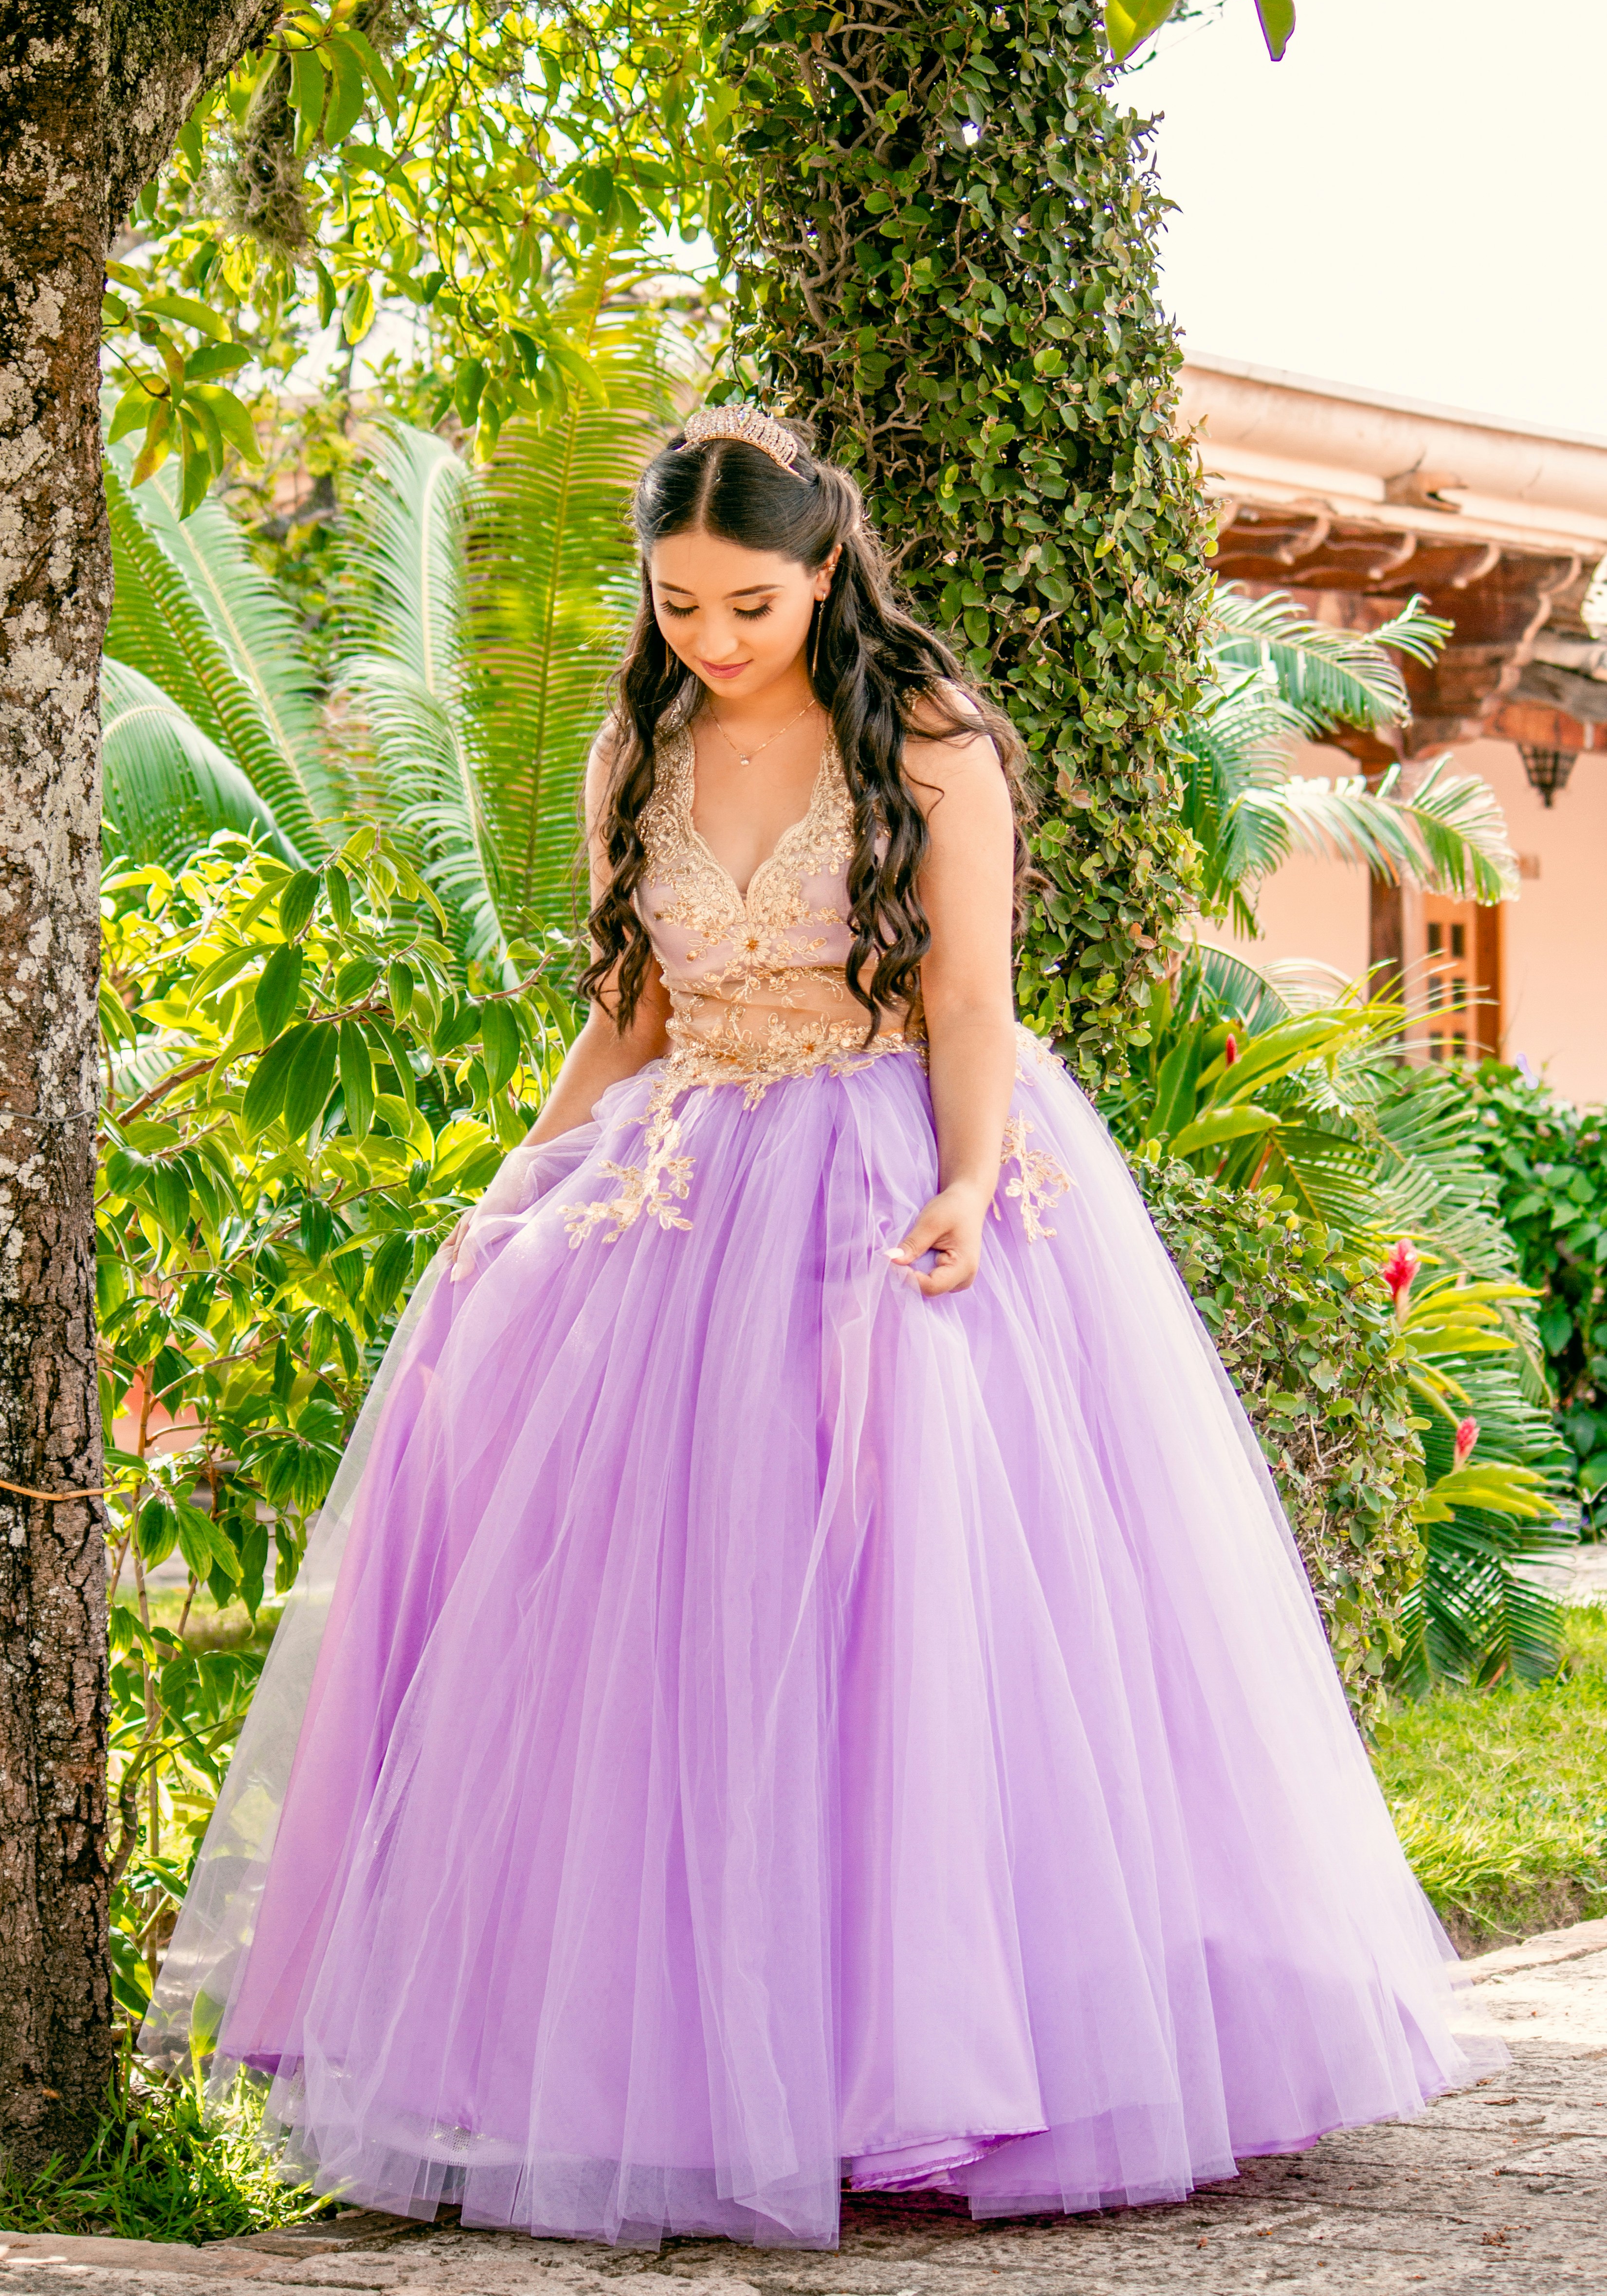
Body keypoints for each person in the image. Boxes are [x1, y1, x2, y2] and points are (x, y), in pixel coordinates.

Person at [144, 402, 1493, 2251]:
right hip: (679, 1186)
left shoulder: (930, 742)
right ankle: (663, 2069)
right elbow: (626, 1007)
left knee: (900, 1619)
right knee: (662, 1623)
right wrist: (513, 1189)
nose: (711, 634)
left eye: (748, 603)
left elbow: (966, 993)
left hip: (885, 1176)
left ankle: (928, 2065)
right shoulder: (645, 738)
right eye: (679, 599)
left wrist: (967, 1175)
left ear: (826, 566)